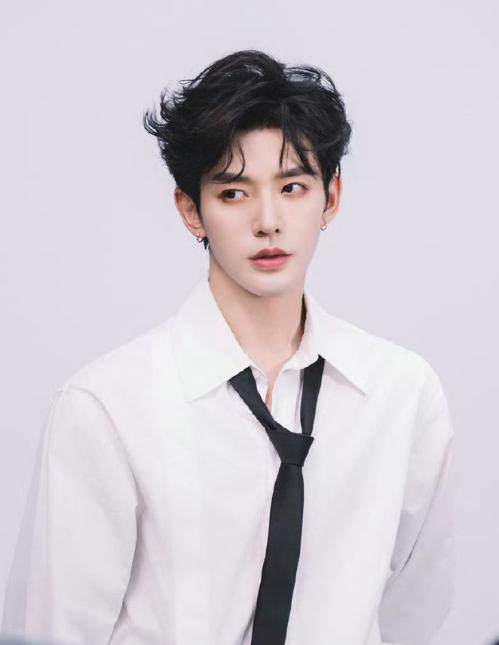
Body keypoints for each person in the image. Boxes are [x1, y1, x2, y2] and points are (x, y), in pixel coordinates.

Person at [1, 49, 455, 645]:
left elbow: (414, 613)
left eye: (293, 187)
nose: (268, 221)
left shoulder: (400, 392)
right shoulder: (106, 406)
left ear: (331, 198)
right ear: (191, 211)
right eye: (234, 193)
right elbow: (56, 629)